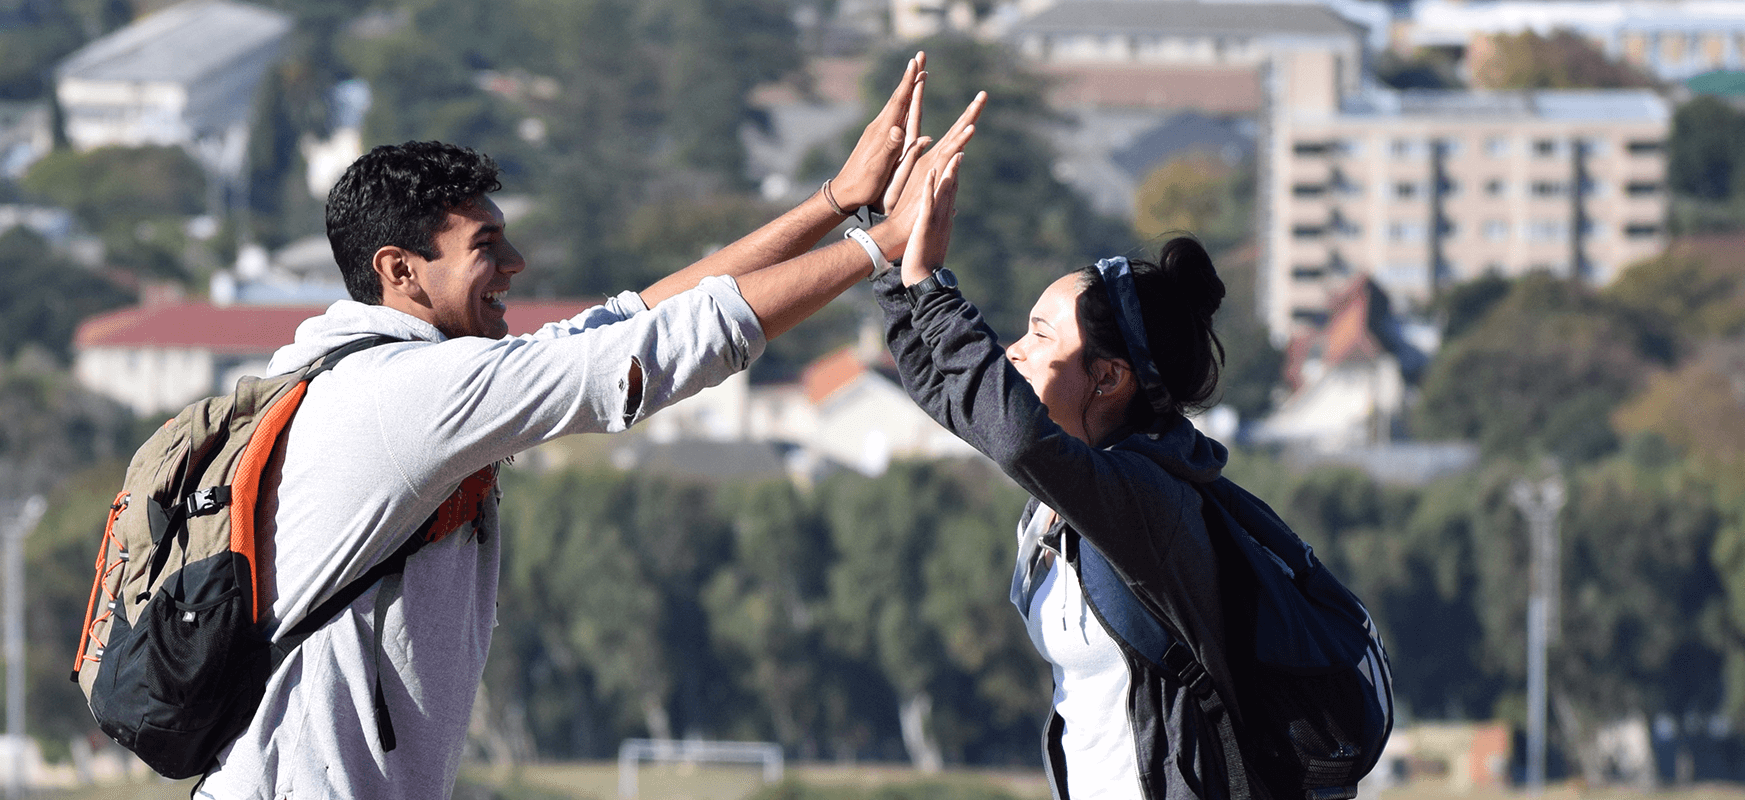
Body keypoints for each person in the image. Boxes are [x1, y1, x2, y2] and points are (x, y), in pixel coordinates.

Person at [192, 60, 988, 799]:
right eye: (485, 246)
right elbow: (650, 354)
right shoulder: (409, 394)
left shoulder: (374, 373)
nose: (516, 263)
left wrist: (837, 202)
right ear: (400, 271)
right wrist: (882, 245)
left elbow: (626, 323)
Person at [875, 159, 1258, 799]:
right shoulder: (1074, 484)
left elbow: (1015, 436)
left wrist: (933, 290)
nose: (1013, 351)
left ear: (1108, 378)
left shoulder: (1143, 495)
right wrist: (893, 255)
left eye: (1040, 334)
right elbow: (951, 394)